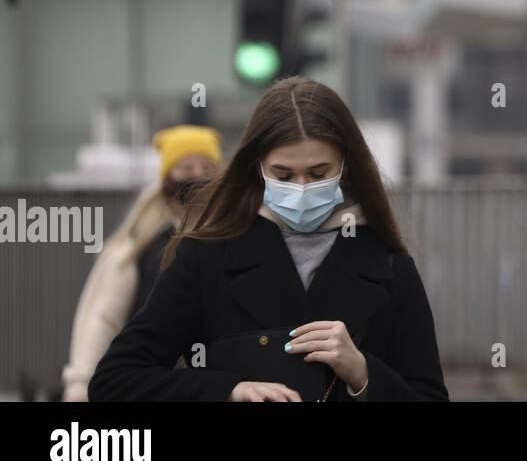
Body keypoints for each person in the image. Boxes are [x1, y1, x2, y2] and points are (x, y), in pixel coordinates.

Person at [89, 78, 448, 401]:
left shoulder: (389, 267)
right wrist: (227, 391)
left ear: (345, 167)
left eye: (319, 173)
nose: (302, 188)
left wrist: (363, 374)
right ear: (258, 168)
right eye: (284, 173)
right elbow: (115, 380)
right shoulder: (208, 256)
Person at [62, 125, 221, 402]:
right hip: (155, 387)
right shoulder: (138, 245)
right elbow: (103, 315)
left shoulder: (233, 235)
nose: (197, 175)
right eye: (186, 167)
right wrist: (81, 382)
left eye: (206, 166)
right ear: (166, 178)